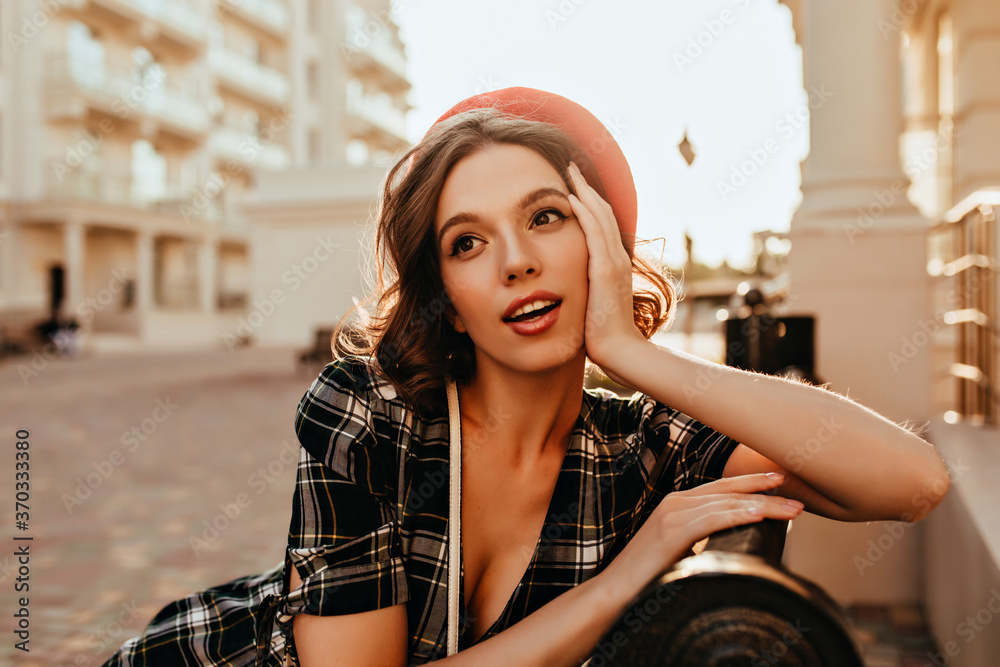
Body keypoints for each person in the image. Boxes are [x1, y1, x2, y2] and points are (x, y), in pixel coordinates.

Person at [105, 87, 951, 667]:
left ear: (604, 245)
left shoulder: (640, 450)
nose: (515, 262)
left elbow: (913, 480)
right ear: (447, 294)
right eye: (467, 242)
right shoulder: (370, 411)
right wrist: (627, 577)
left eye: (546, 218)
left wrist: (640, 356)